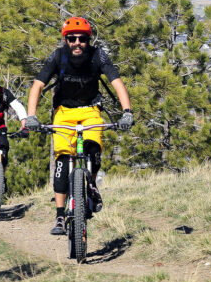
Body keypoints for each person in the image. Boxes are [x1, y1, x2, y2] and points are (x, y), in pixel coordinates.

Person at [25, 16, 133, 236]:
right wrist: (31, 116)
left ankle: (91, 187)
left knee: (93, 152)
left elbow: (117, 83)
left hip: (91, 110)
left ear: (88, 39)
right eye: (72, 38)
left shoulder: (98, 56)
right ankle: (59, 217)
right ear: (66, 40)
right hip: (63, 113)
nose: (77, 43)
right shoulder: (58, 56)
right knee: (63, 164)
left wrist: (127, 112)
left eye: (82, 39)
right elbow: (37, 85)